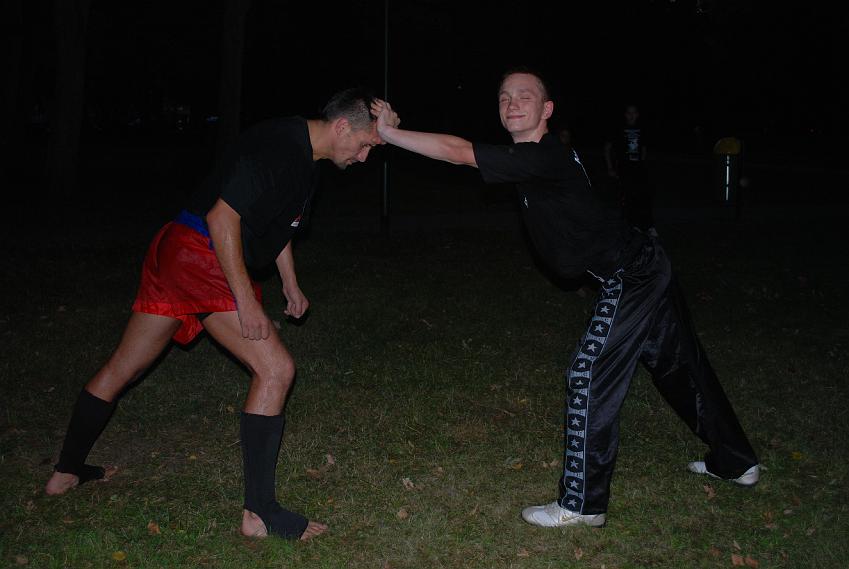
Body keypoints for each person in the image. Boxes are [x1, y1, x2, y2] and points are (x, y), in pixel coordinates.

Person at [372, 69, 759, 528]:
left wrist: (389, 135)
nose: (512, 103)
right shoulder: (533, 158)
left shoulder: (544, 156)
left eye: (525, 96)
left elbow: (458, 153)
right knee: (678, 364)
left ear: (547, 109)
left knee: (588, 373)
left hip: (631, 273)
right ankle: (736, 460)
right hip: (643, 262)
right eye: (504, 97)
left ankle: (582, 503)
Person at [45, 87, 394, 541]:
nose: (365, 157)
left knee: (125, 366)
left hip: (180, 251)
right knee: (275, 370)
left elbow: (275, 227)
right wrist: (246, 300)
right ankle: (259, 513)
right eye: (366, 145)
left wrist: (289, 282)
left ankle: (66, 472)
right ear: (343, 127)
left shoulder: (304, 158)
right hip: (200, 252)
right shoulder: (280, 148)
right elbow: (222, 218)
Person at [604, 104, 656, 235]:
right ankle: (630, 226)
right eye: (629, 113)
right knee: (627, 197)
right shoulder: (618, 129)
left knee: (644, 196)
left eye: (634, 113)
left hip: (639, 168)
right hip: (624, 168)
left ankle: (648, 225)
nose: (631, 115)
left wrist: (642, 163)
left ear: (637, 115)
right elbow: (607, 148)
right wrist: (610, 167)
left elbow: (643, 148)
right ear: (625, 115)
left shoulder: (642, 129)